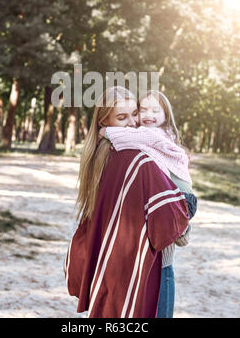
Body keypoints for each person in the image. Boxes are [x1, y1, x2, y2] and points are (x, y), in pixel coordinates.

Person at [64, 86, 189, 318]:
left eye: (135, 113)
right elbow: (171, 222)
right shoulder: (139, 159)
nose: (133, 123)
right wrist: (187, 212)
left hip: (113, 268)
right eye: (122, 117)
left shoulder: (101, 157)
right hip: (152, 268)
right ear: (105, 121)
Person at [98, 90, 197, 318]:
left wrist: (105, 132)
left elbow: (132, 138)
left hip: (182, 199)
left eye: (155, 110)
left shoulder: (153, 135)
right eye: (142, 110)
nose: (146, 116)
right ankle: (180, 229)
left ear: (166, 115)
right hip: (172, 212)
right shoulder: (140, 145)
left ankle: (181, 229)